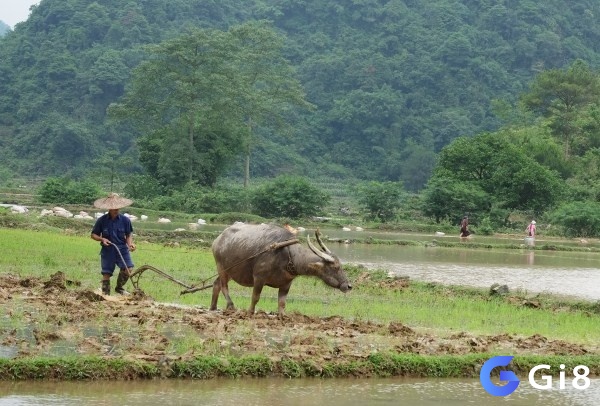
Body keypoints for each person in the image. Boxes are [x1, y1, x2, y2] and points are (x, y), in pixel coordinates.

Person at [91, 193, 136, 295]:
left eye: (118, 208)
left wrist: (130, 244)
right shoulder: (101, 221)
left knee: (128, 269)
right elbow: (93, 235)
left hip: (122, 249)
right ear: (109, 209)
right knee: (106, 273)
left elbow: (128, 234)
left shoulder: (125, 220)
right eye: (114, 208)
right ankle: (105, 294)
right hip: (108, 250)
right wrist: (102, 239)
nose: (116, 210)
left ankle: (119, 288)